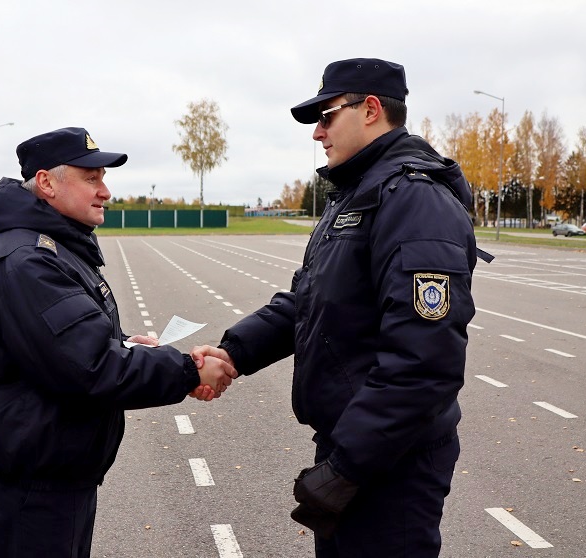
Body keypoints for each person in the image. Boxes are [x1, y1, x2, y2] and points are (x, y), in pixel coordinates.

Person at [192, 58, 486, 558]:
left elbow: (425, 361)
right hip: (358, 445)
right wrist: (234, 351)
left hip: (389, 461)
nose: (317, 133)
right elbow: (309, 301)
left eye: (326, 117)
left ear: (370, 110)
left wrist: (346, 469)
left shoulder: (414, 200)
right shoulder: (359, 195)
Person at [0, 127, 236, 558]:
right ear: (46, 183)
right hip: (37, 484)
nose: (105, 191)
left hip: (51, 469)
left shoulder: (51, 248)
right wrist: (187, 371)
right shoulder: (28, 261)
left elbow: (61, 344)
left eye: (103, 178)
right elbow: (91, 366)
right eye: (91, 178)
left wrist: (124, 342)